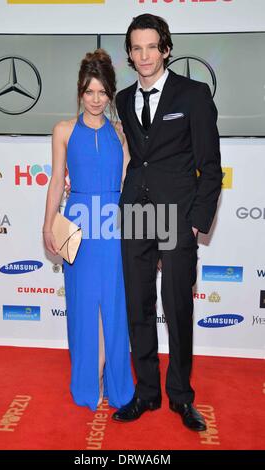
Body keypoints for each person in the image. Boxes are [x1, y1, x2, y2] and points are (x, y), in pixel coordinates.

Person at [112, 14, 222, 431]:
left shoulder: (193, 95)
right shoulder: (123, 98)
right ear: (129, 54)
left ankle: (180, 396)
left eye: (151, 47)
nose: (144, 55)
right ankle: (146, 392)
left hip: (177, 215)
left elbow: (210, 166)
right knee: (138, 306)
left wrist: (195, 222)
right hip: (137, 213)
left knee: (176, 309)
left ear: (166, 49)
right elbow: (137, 158)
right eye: (136, 48)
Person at [43, 49, 134, 411]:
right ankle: (88, 378)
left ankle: (111, 378)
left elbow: (130, 184)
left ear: (110, 93)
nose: (95, 100)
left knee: (113, 305)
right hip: (76, 222)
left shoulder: (121, 133)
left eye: (102, 92)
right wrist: (48, 223)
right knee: (82, 305)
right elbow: (55, 181)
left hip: (113, 224)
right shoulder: (63, 130)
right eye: (88, 92)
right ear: (80, 92)